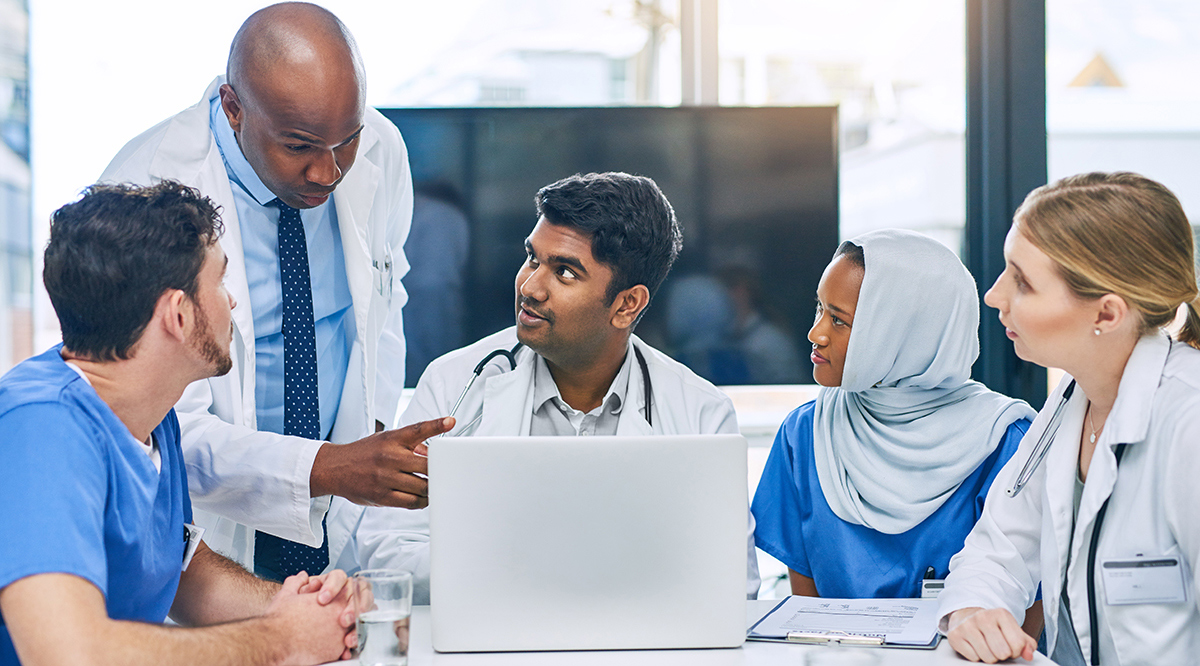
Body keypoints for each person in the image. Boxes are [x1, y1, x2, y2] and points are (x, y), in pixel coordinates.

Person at [99, 2, 450, 582]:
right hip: (209, 533)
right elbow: (152, 421)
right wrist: (322, 468)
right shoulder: (146, 192)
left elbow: (382, 318)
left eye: (347, 142)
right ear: (234, 109)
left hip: (340, 515)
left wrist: (363, 452)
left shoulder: (381, 150)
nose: (329, 173)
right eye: (300, 146)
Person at [355, 172, 761, 603]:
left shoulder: (701, 412)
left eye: (564, 272)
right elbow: (387, 554)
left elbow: (732, 584)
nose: (530, 287)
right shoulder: (454, 383)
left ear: (627, 305)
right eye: (533, 259)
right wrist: (532, 569)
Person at [0, 182, 357, 666]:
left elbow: (183, 574)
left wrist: (309, 611)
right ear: (180, 314)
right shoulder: (40, 428)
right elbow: (66, 653)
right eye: (220, 283)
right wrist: (282, 640)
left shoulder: (151, 413)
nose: (231, 303)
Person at [940, 172, 1200, 665]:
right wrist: (974, 611)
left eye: (1023, 282)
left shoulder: (1190, 420)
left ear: (1106, 315)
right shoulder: (1071, 400)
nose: (994, 296)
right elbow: (999, 545)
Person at [751, 230, 1038, 613]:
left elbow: (1029, 599)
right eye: (820, 309)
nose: (815, 333)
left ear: (904, 333)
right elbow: (808, 614)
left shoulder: (1005, 441)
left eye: (839, 320)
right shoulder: (805, 434)